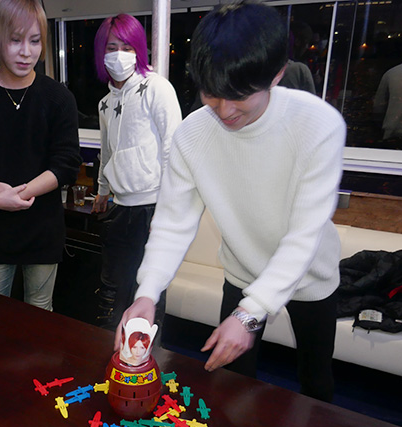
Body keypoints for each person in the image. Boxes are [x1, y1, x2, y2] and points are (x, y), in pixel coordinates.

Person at [118, 0, 346, 402]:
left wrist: (250, 313)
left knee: (317, 383)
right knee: (232, 385)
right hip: (242, 272)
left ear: (276, 74)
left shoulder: (319, 124)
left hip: (312, 277)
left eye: (239, 95)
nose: (224, 110)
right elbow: (172, 224)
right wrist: (146, 293)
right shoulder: (192, 135)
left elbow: (304, 235)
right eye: (212, 93)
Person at [0, 0, 81, 311]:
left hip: (43, 227)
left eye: (34, 41)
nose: (26, 52)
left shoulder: (59, 97)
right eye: (15, 40)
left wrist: (16, 195)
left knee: (39, 311)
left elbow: (66, 163)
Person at [90, 14, 182, 331]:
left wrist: (169, 205)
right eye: (111, 47)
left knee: (148, 291)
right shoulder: (105, 103)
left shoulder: (157, 87)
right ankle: (113, 348)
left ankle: (148, 352)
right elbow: (107, 151)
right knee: (114, 287)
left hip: (152, 206)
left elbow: (173, 146)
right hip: (120, 207)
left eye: (127, 47)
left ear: (139, 50)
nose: (119, 54)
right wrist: (102, 191)